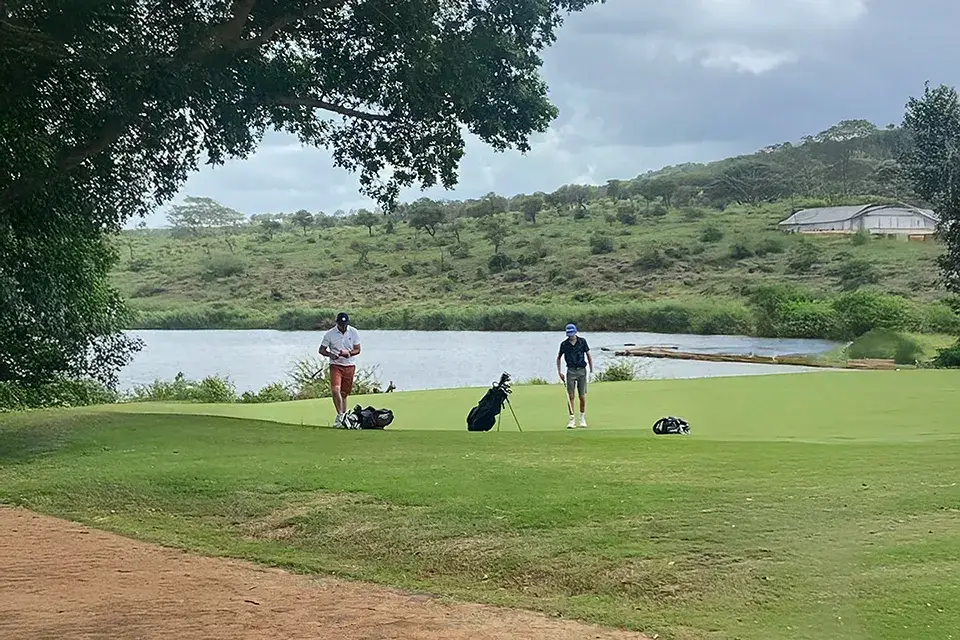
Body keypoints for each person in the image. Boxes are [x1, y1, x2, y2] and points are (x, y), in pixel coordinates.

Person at [319, 311, 362, 427]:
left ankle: (344, 418)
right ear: (337, 323)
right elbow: (321, 350)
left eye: (345, 325)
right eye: (341, 325)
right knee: (335, 390)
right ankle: (340, 416)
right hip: (336, 365)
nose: (343, 327)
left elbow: (358, 349)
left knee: (344, 394)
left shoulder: (353, 332)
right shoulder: (330, 334)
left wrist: (348, 353)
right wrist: (330, 355)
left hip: (349, 365)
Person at [557, 323, 592, 429]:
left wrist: (591, 370)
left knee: (582, 396)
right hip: (570, 371)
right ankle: (572, 419)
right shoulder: (564, 344)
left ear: (575, 332)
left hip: (582, 370)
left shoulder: (582, 341)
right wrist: (559, 372)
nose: (570, 336)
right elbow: (558, 358)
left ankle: (582, 418)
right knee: (570, 396)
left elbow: (588, 356)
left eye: (572, 333)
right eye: (569, 334)